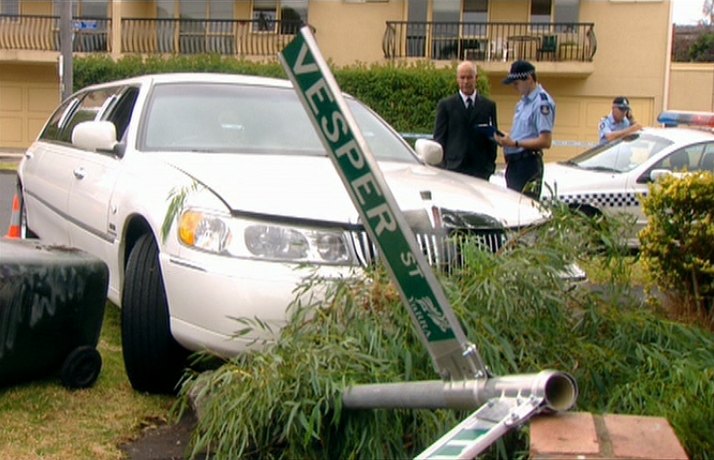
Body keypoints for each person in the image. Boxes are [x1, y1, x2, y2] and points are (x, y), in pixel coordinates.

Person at [494, 60, 555, 200]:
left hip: (528, 163)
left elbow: (545, 141)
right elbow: (523, 133)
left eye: (516, 83)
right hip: (515, 164)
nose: (514, 87)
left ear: (528, 79)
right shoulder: (522, 103)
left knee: (525, 207)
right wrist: (505, 140)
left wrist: (515, 143)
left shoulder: (541, 103)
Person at [433, 61, 499, 181]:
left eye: (469, 77)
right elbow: (439, 138)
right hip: (453, 169)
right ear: (457, 79)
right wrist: (443, 166)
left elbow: (492, 139)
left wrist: (489, 166)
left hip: (480, 171)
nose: (466, 81)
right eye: (462, 78)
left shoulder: (488, 106)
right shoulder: (446, 106)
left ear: (476, 78)